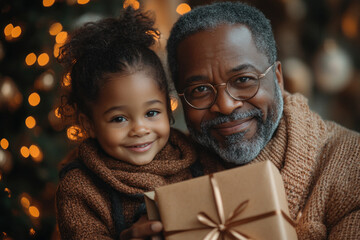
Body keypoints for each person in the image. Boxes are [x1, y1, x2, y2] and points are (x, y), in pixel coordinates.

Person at [121, 2, 360, 239]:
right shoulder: (154, 172)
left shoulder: (351, 163)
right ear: (182, 100)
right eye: (200, 89)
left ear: (278, 78)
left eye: (244, 80)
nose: (225, 105)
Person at [55, 7, 223, 239]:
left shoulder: (195, 157)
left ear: (168, 107)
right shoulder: (81, 187)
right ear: (89, 124)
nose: (140, 129)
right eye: (119, 119)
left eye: (152, 113)